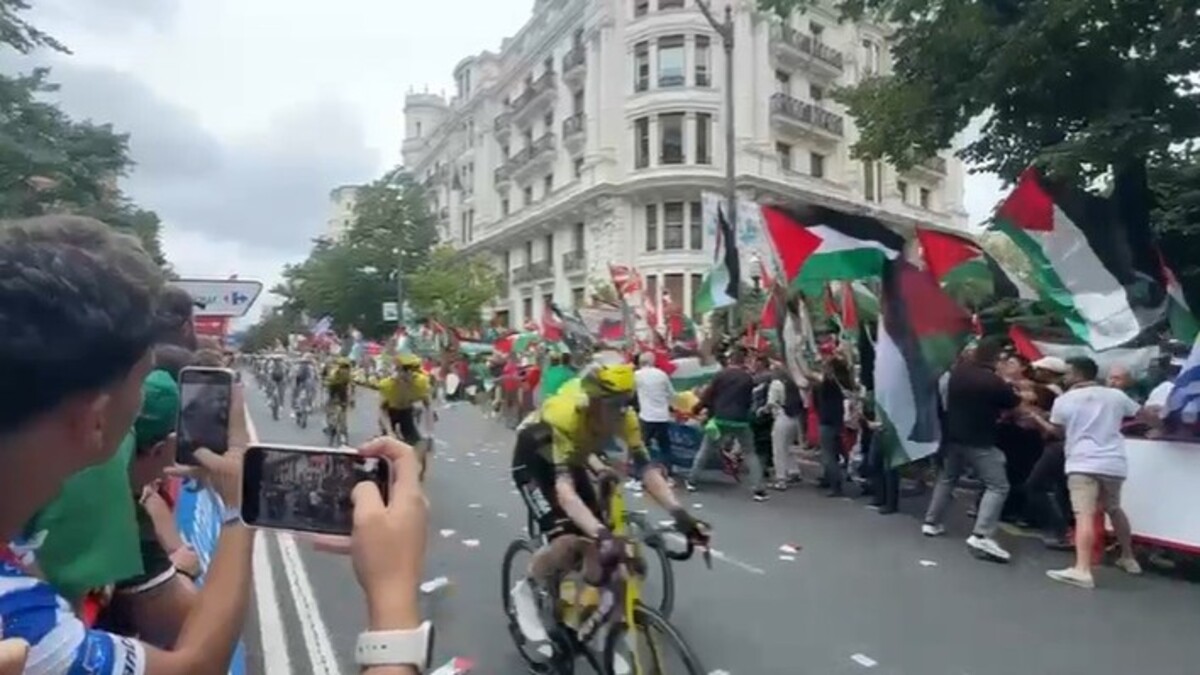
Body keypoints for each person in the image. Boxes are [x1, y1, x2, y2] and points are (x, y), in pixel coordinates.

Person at [508, 363, 707, 648]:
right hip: (534, 460)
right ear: (593, 402)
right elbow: (565, 492)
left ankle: (579, 614)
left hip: (572, 456)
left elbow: (648, 471)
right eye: (613, 405)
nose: (621, 412)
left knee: (599, 552)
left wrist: (680, 514)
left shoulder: (627, 420)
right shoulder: (566, 416)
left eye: (626, 403)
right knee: (566, 540)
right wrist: (601, 534)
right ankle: (526, 589)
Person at [1021, 357, 1143, 589]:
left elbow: (1057, 432)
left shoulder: (1065, 400)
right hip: (1113, 461)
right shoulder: (1115, 396)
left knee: (1084, 514)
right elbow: (1141, 414)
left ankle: (1082, 569)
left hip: (1082, 461)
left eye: (1067, 373)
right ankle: (1128, 557)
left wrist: (1037, 418)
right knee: (1114, 508)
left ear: (1078, 374)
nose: (1065, 377)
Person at [922, 337, 1023, 563]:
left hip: (953, 436)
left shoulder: (959, 373)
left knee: (947, 478)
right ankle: (982, 534)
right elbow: (1014, 404)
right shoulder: (993, 382)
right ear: (996, 358)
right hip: (980, 440)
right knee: (998, 485)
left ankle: (931, 521)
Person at [684, 348, 768, 501]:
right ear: (743, 362)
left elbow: (708, 395)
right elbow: (749, 400)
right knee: (750, 453)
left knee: (705, 450)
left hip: (720, 419)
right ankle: (759, 489)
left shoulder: (721, 375)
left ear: (730, 360)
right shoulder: (748, 378)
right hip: (741, 421)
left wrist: (697, 409)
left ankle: (692, 480)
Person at [377, 353, 434, 474]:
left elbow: (428, 406)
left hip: (406, 411)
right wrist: (389, 431)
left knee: (417, 441)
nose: (408, 377)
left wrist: (429, 433)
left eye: (411, 373)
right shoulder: (388, 385)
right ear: (398, 372)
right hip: (390, 412)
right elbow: (382, 410)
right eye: (404, 372)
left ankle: (415, 470)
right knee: (387, 442)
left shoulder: (421, 383)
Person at [763, 358, 805, 491]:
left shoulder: (775, 384)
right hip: (794, 418)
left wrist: (763, 410)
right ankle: (793, 471)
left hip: (781, 415)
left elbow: (770, 403)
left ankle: (780, 478)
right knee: (788, 446)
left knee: (778, 448)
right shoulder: (792, 383)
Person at [634, 352, 676, 480]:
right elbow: (671, 393)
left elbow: (630, 392)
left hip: (646, 416)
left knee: (641, 447)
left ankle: (639, 476)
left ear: (641, 363)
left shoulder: (637, 375)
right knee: (665, 446)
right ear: (653, 362)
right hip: (663, 416)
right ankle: (668, 473)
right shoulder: (662, 375)